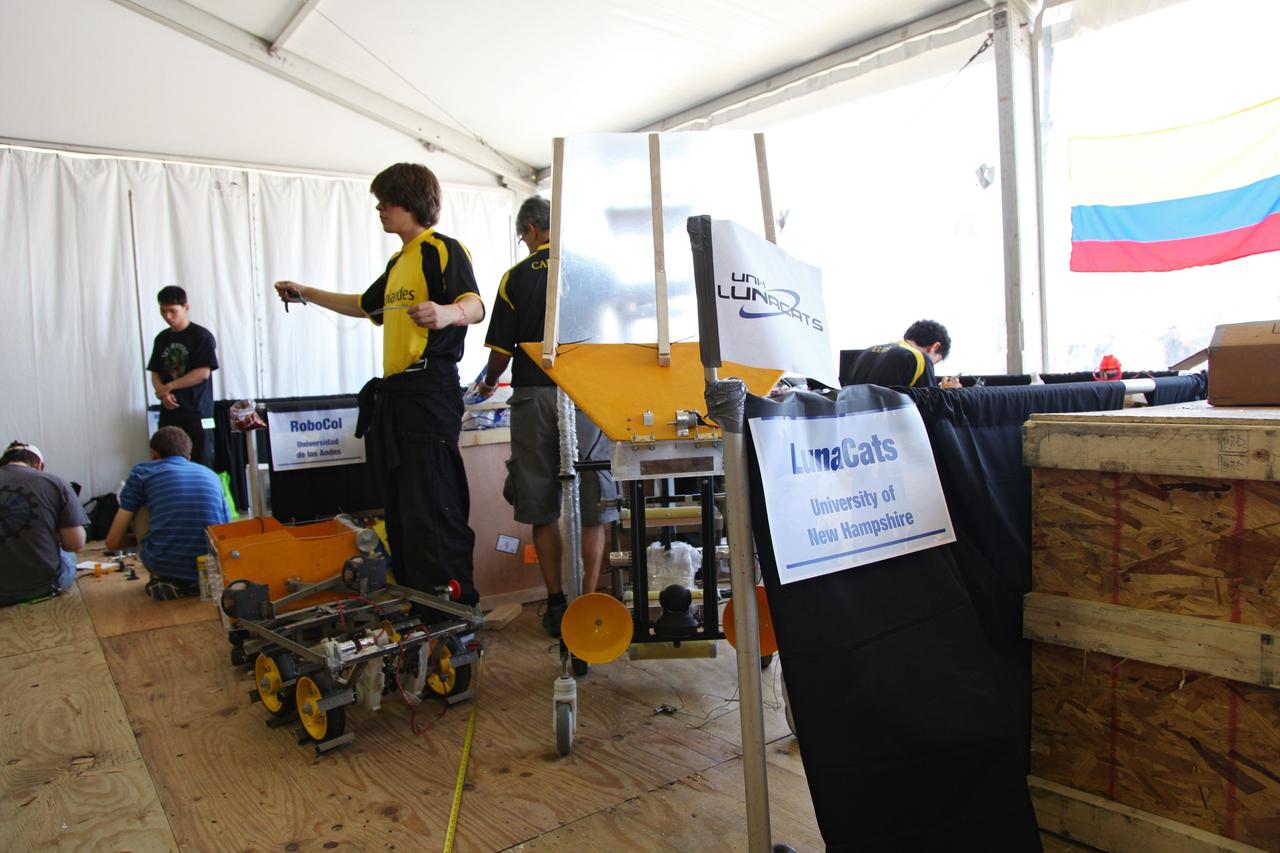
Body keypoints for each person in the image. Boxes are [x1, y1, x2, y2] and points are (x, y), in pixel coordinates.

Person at [273, 162, 485, 607]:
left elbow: (475, 303)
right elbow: (362, 305)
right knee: (403, 508)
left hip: (430, 390)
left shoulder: (442, 249)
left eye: (385, 200)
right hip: (398, 396)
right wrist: (306, 292)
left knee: (433, 502)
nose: (379, 208)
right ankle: (416, 597)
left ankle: (452, 605)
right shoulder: (398, 262)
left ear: (409, 202)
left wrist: (448, 313)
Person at [470, 196, 620, 637]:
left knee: (540, 501)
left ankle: (556, 605)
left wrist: (484, 385)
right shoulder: (594, 270)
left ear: (532, 230)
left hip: (535, 393)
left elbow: (500, 351)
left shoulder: (514, 278)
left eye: (523, 236)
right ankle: (589, 603)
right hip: (587, 394)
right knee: (594, 500)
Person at [105, 426, 229, 600]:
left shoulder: (142, 472)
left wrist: (135, 540)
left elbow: (112, 542)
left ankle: (169, 576)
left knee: (138, 505)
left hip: (164, 563)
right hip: (214, 565)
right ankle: (198, 583)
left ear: (153, 454)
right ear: (189, 456)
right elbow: (225, 527)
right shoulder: (211, 475)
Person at [0, 440, 88, 606]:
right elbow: (76, 544)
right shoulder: (56, 483)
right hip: (42, 587)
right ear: (39, 464)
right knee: (68, 554)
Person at [148, 285, 218, 468]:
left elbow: (203, 373)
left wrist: (169, 387)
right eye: (163, 311)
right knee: (166, 459)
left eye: (172, 311)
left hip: (197, 411)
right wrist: (162, 393)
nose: (168, 316)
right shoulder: (161, 338)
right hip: (170, 412)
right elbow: (154, 371)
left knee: (201, 459)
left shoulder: (201, 336)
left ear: (185, 307)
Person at [847, 319, 960, 389]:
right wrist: (946, 393)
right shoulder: (918, 357)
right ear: (935, 346)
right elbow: (930, 407)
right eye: (935, 361)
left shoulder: (867, 352)